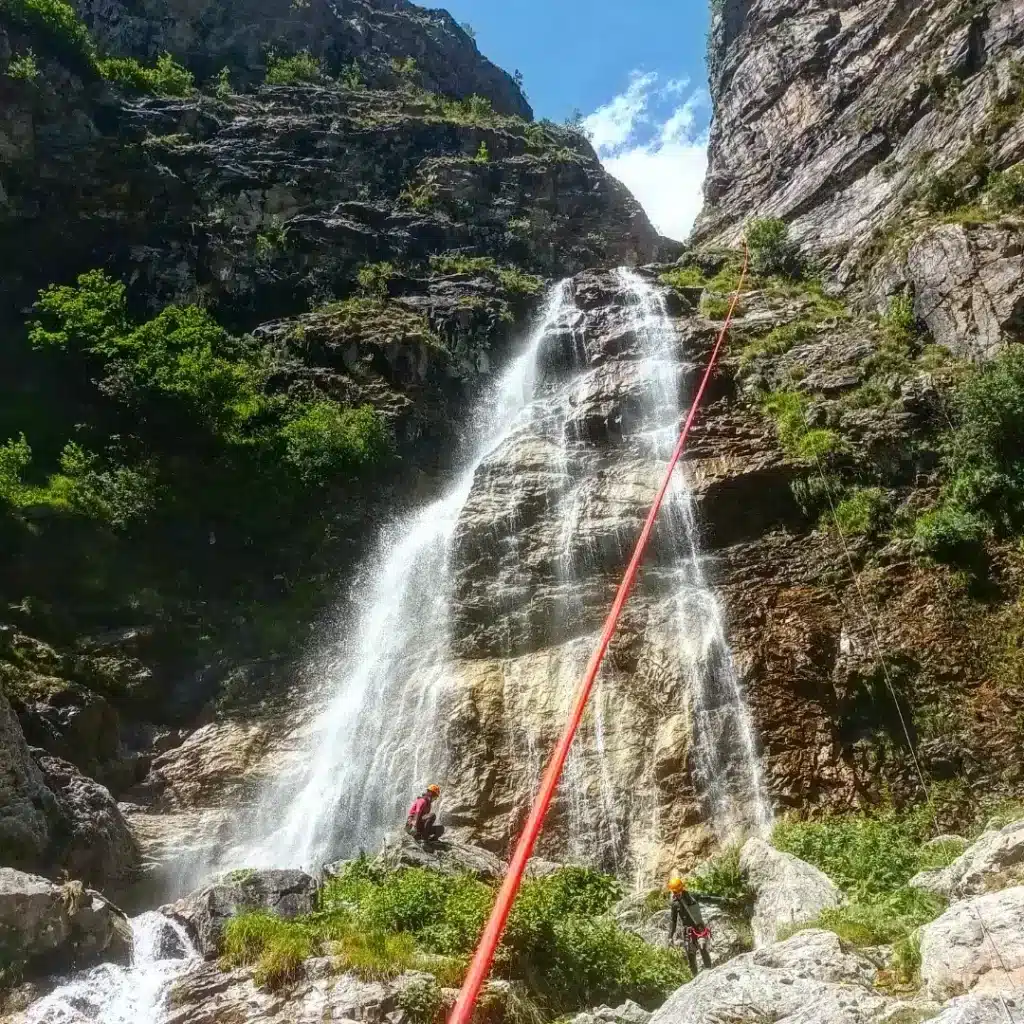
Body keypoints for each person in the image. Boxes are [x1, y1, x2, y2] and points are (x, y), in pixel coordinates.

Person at [667, 875, 713, 974]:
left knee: (703, 948)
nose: (675, 894)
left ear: (681, 889)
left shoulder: (691, 896)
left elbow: (706, 898)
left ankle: (709, 971)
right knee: (690, 955)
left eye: (677, 891)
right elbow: (673, 920)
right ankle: (695, 977)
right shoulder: (675, 904)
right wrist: (670, 936)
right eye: (674, 892)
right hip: (687, 930)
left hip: (698, 928)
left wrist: (722, 901)